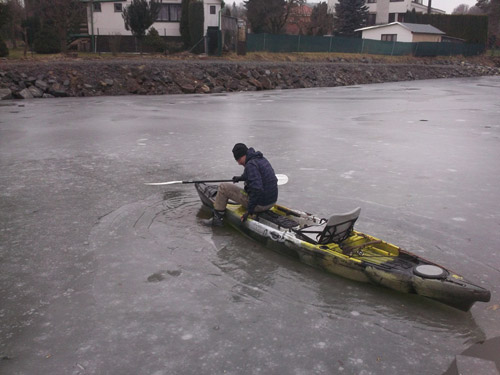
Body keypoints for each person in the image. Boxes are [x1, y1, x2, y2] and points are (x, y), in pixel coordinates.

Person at [202, 143, 278, 226]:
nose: (238, 163)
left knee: (223, 187)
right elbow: (257, 175)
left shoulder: (250, 165)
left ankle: (217, 220)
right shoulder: (260, 159)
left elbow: (257, 189)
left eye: (238, 160)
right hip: (271, 202)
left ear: (242, 156)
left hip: (260, 205)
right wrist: (241, 178)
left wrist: (249, 211)